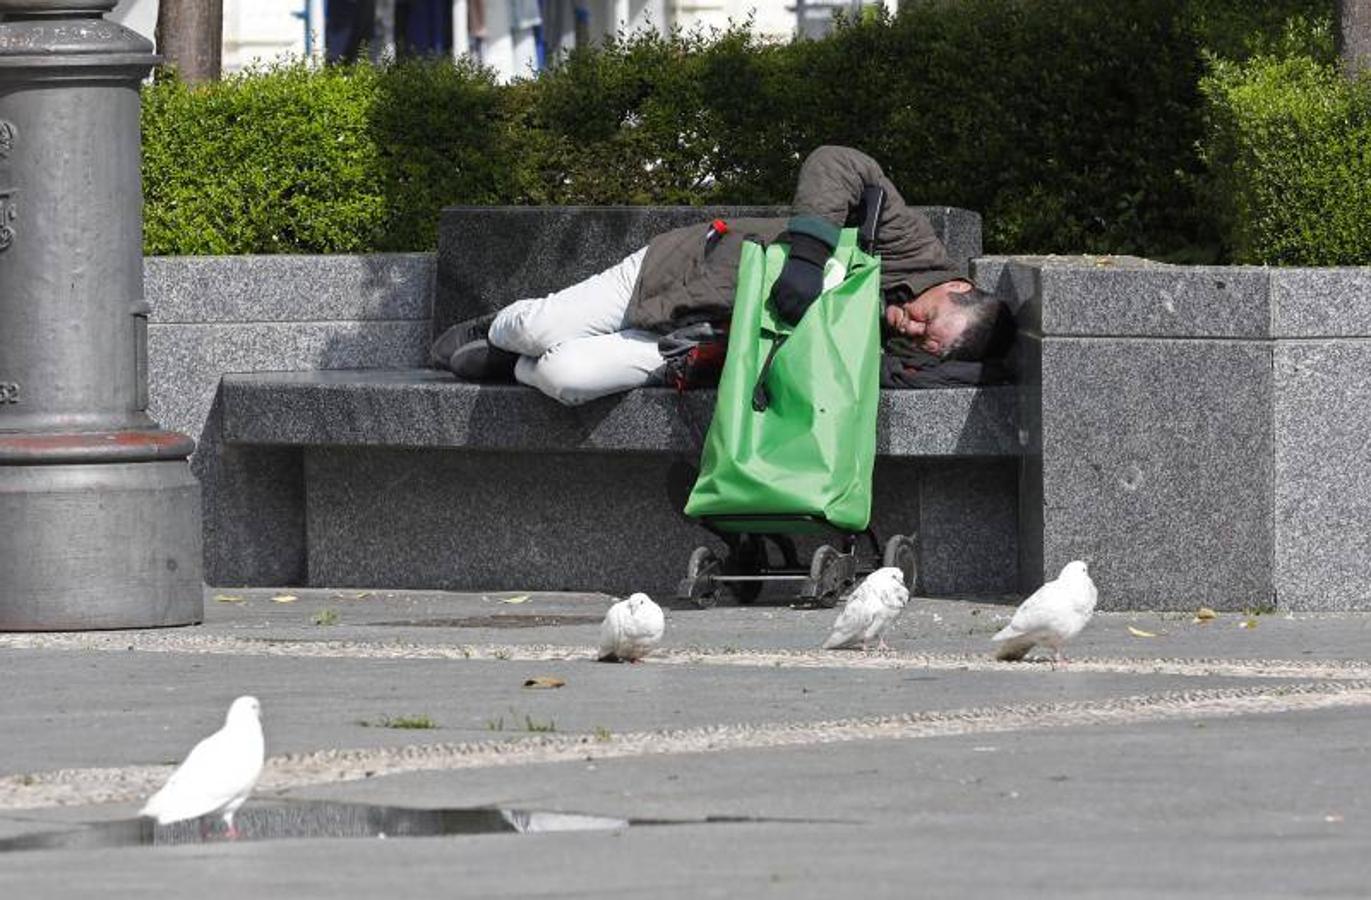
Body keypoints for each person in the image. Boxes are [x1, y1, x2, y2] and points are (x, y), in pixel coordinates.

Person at [434, 145, 1015, 406]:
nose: (908, 330)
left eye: (924, 343)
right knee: (540, 328)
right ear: (957, 288)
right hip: (678, 271)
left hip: (699, 346)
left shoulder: (915, 349)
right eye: (924, 321)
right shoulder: (914, 246)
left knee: (567, 377)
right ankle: (497, 331)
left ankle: (511, 365)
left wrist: (975, 365)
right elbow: (836, 161)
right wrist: (810, 257)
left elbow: (944, 378)